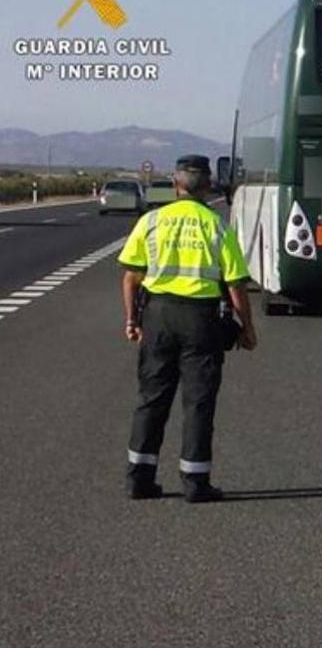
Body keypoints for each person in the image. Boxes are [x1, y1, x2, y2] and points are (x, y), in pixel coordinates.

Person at [117, 155, 257, 503]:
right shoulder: (217, 226)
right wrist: (247, 327)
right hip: (201, 320)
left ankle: (139, 479)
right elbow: (236, 283)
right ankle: (195, 482)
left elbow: (131, 276)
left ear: (176, 185)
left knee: (152, 398)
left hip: (158, 315)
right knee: (198, 402)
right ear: (207, 186)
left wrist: (132, 320)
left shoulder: (151, 221)